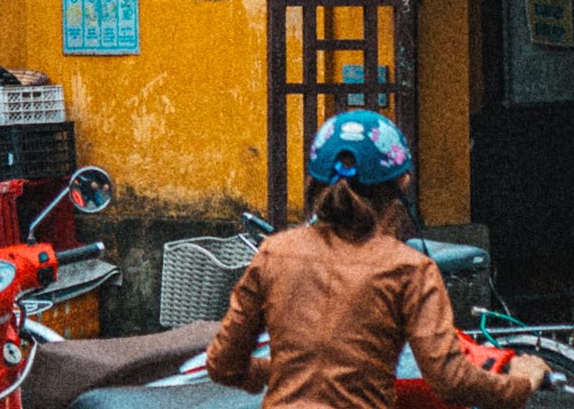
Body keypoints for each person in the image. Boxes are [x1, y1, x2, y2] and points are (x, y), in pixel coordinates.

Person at [208, 111, 537, 409]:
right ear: (400, 187)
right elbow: (450, 381)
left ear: (312, 184)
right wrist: (522, 382)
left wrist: (289, 371)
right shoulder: (409, 269)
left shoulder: (274, 254)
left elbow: (223, 364)